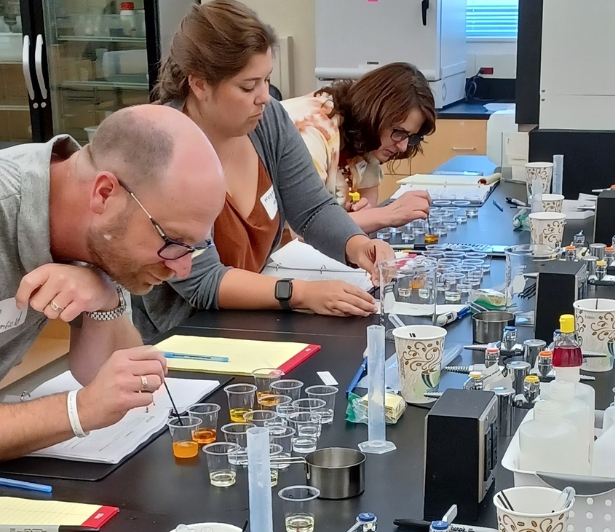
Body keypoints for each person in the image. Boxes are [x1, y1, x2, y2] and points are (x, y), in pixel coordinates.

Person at [136, 0, 394, 337]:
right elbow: (203, 283)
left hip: (254, 317)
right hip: (185, 334)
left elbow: (312, 209)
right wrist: (302, 293)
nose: (264, 97)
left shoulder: (267, 121)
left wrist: (357, 245)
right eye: (247, 86)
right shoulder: (162, 150)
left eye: (266, 80)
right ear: (199, 85)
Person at [0, 105, 226, 460]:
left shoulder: (99, 231)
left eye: (195, 247)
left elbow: (109, 373)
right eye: (173, 241)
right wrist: (78, 411)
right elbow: (95, 399)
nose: (183, 269)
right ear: (104, 193)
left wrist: (104, 297)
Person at [283, 63, 436, 234]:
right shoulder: (312, 130)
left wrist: (360, 216)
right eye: (399, 132)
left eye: (411, 136)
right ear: (374, 115)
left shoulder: (364, 136)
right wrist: (388, 214)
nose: (402, 146)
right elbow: (306, 227)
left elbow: (367, 194)